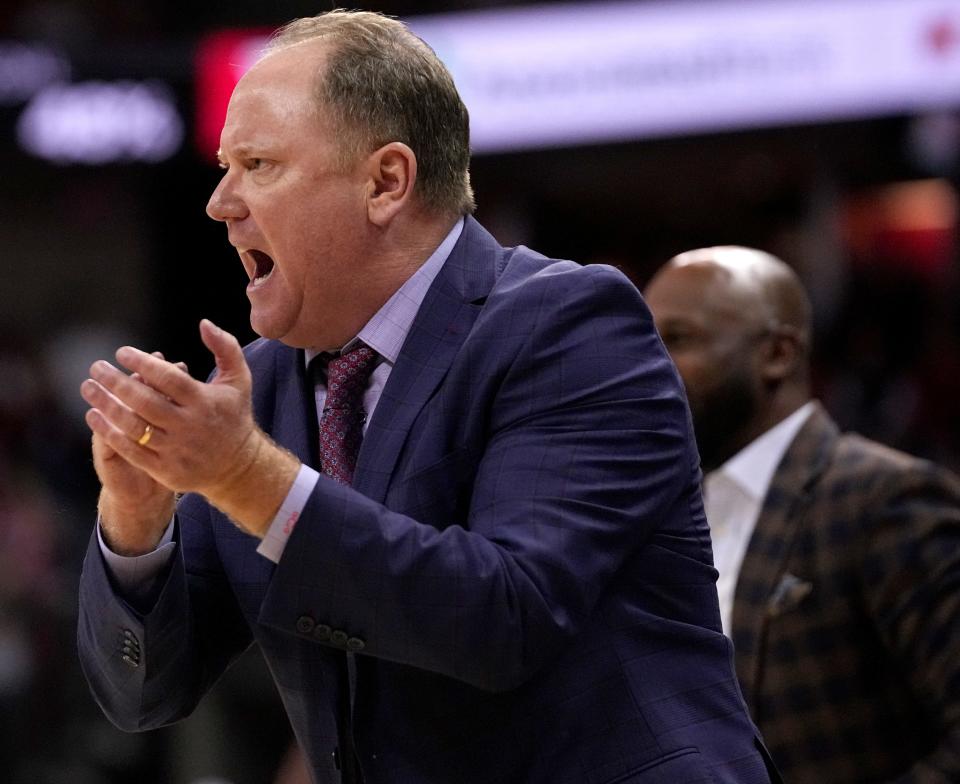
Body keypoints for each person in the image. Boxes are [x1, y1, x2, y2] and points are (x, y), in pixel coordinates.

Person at [76, 11, 779, 784]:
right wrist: (136, 526)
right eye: (224, 165)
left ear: (385, 182)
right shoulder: (258, 386)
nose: (220, 201)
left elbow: (504, 617)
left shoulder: (571, 326)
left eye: (258, 163)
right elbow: (145, 694)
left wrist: (245, 477)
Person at [643, 245, 960, 784]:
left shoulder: (883, 497)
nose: (649, 367)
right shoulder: (656, 516)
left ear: (779, 354)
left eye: (678, 340)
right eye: (644, 344)